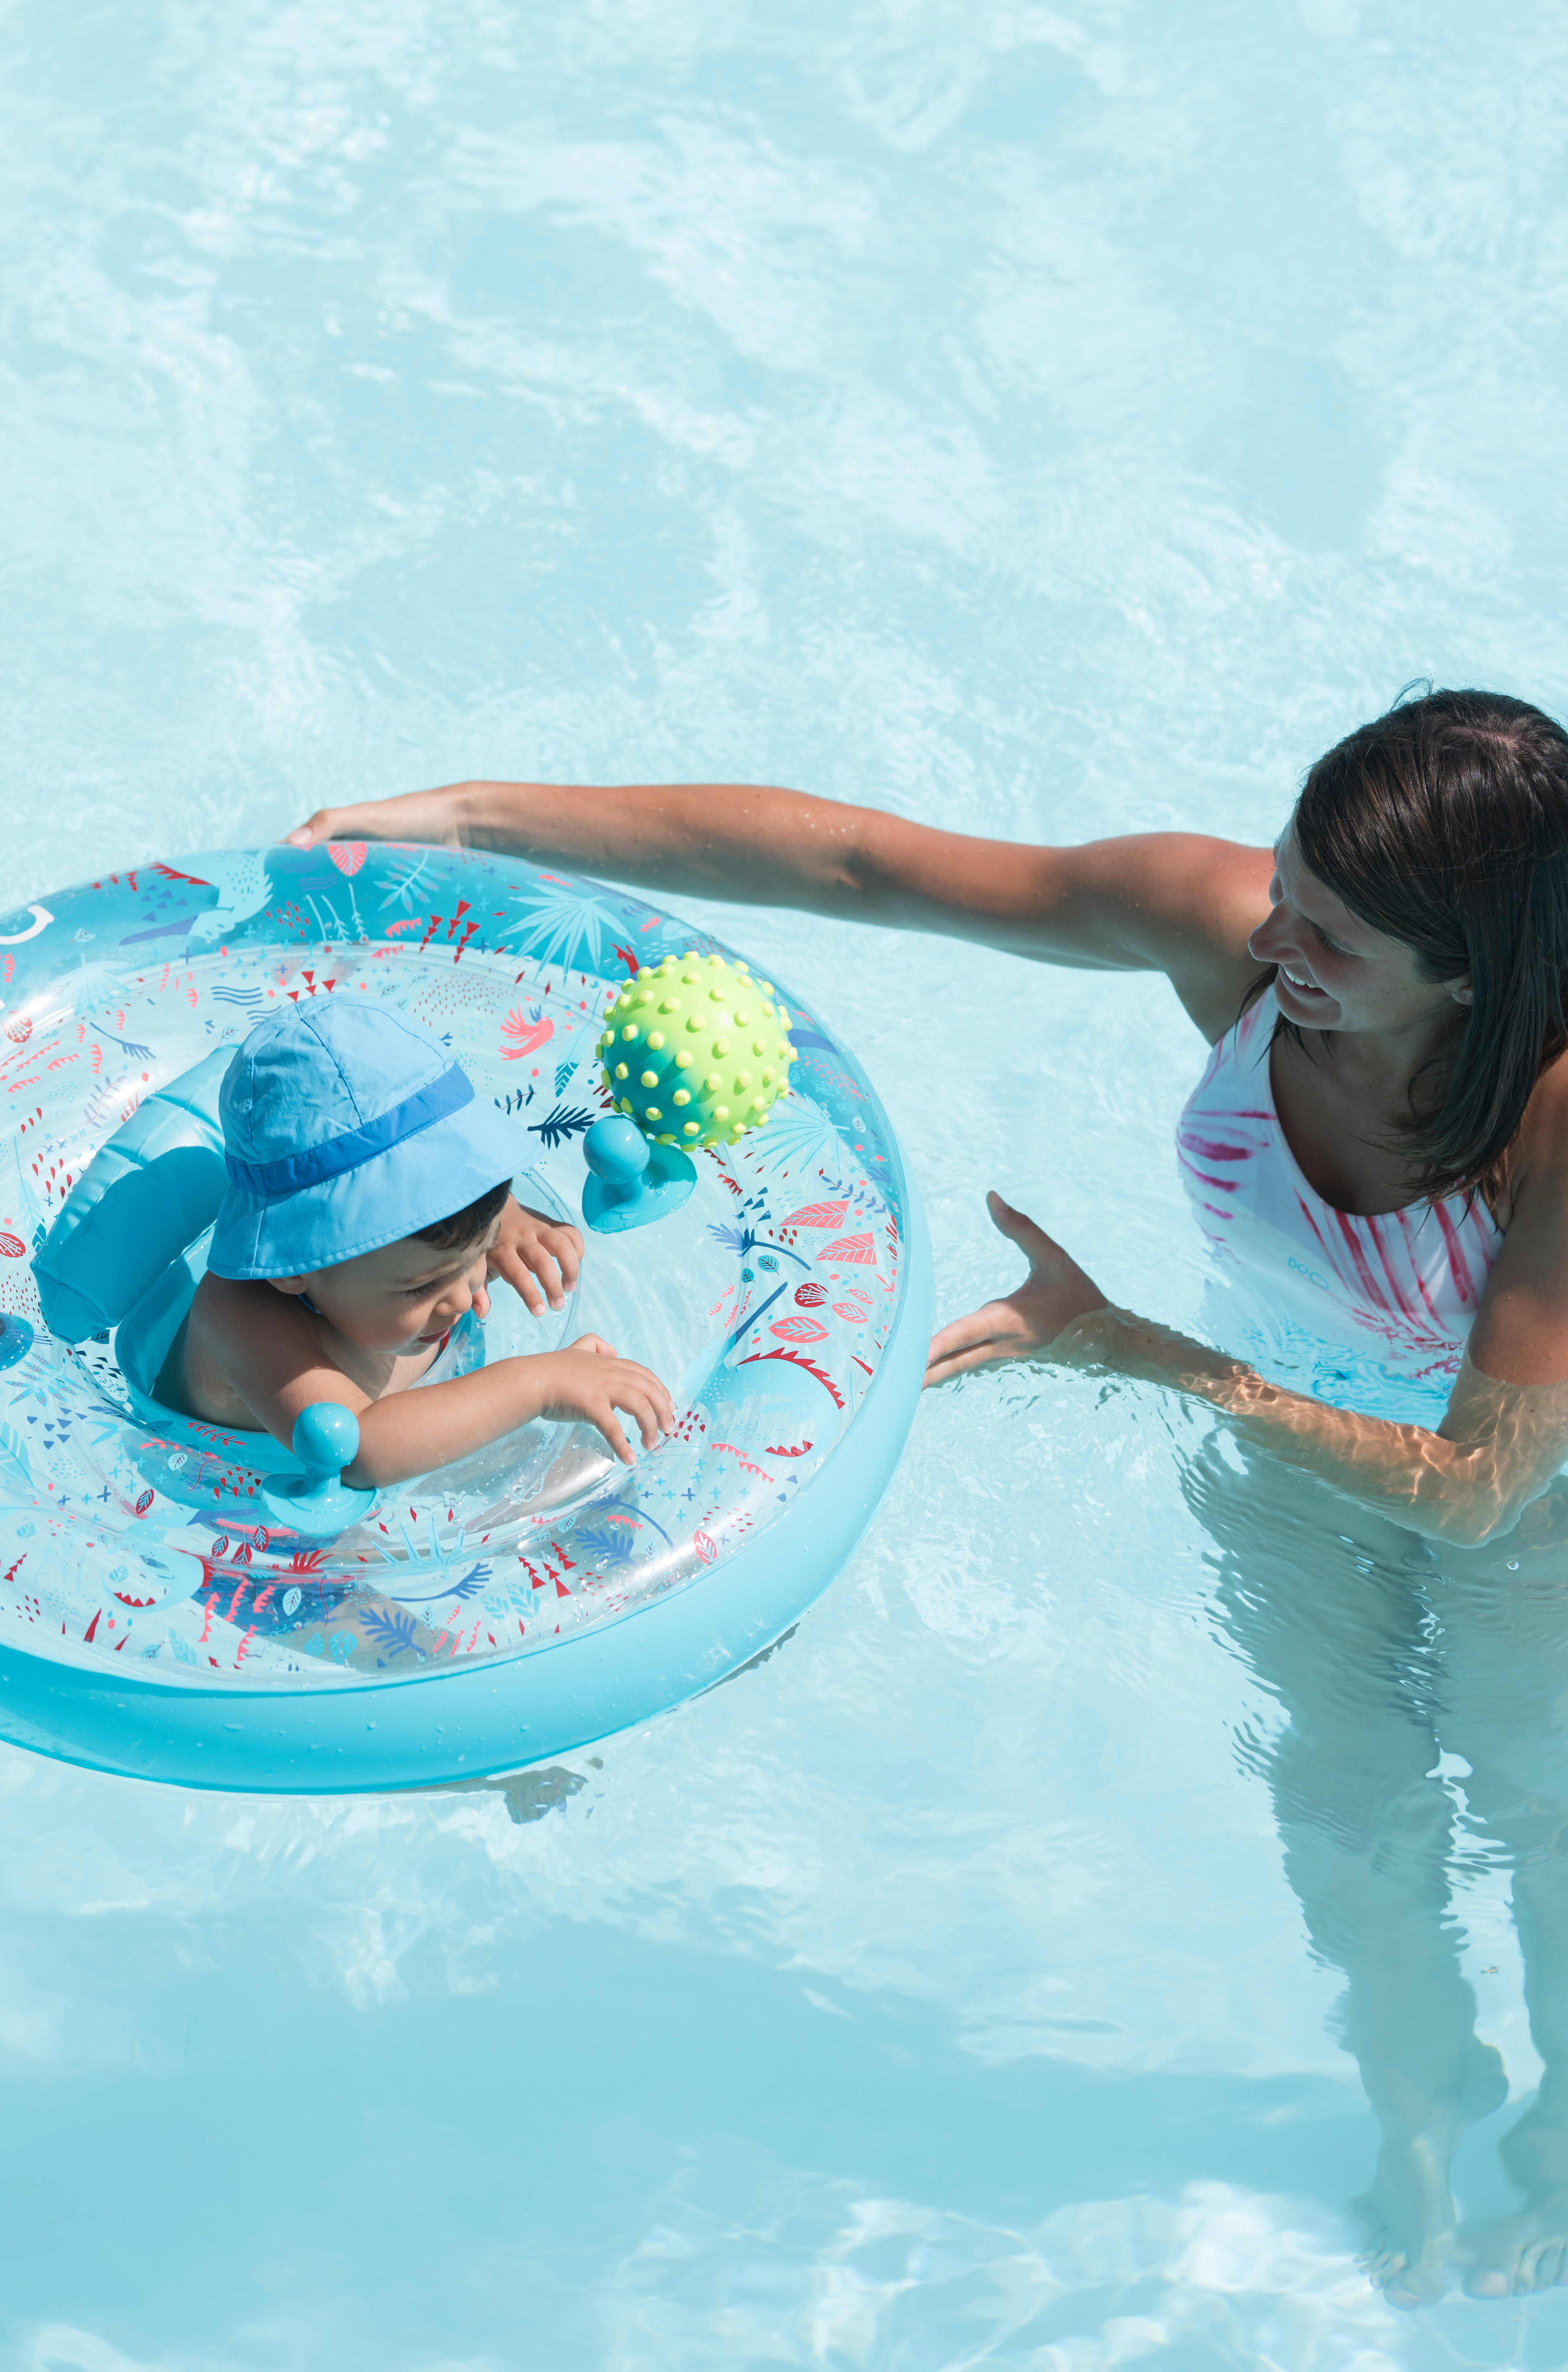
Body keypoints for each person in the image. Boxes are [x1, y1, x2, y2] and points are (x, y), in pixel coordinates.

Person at [289, 690, 1568, 2302]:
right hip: (1289, 1461)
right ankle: (1421, 2118)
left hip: (1531, 1526)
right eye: (1284, 886)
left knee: (1540, 1833)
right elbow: (855, 861)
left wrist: (1131, 1352)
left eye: (1328, 936)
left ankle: (1563, 2150)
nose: (1272, 938)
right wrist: (472, 816)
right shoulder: (1234, 930)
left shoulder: (1550, 1112)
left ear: (1465, 973)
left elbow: (1471, 1491)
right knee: (1347, 1821)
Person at [151, 998, 673, 1487]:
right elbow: (357, 1453)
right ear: (293, 1266)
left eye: (477, 1252)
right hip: (252, 1486)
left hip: (423, 1407)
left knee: (595, 1472)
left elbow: (454, 1192)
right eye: (423, 1286)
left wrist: (504, 1224)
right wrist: (540, 1384)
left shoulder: (408, 1249)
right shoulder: (240, 1320)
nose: (465, 1295)